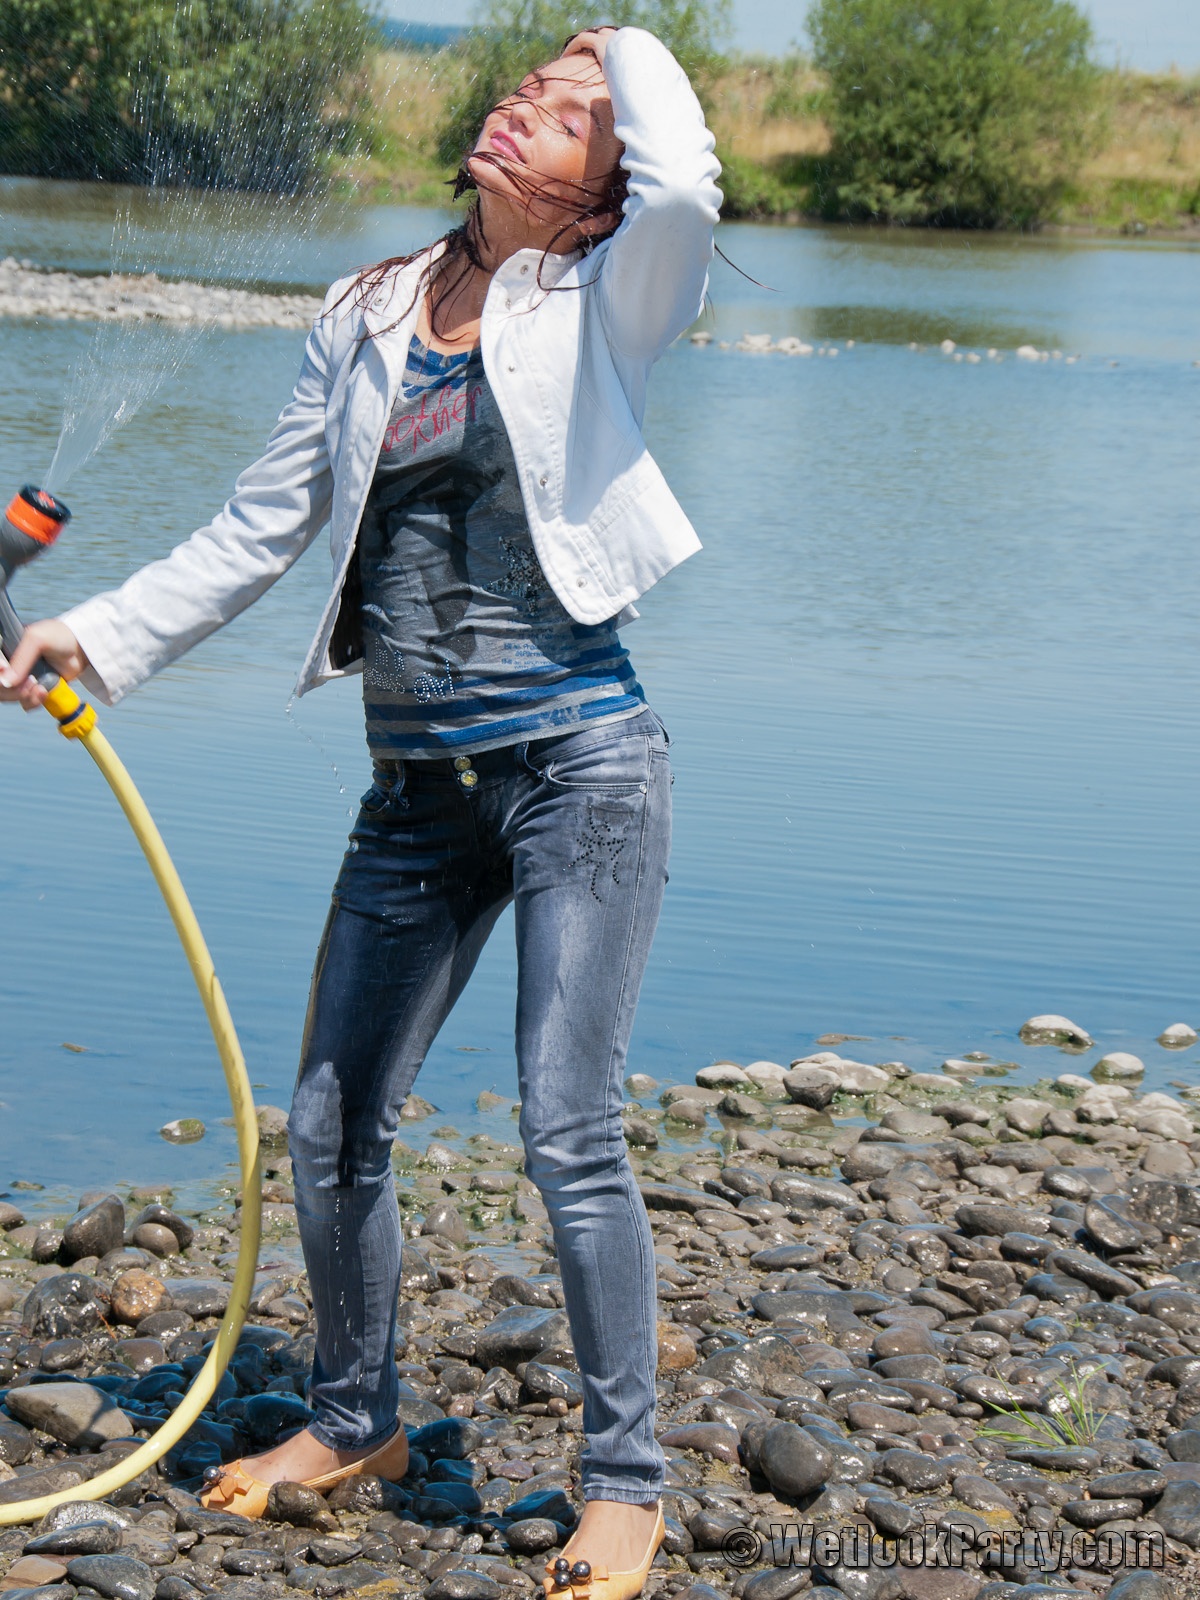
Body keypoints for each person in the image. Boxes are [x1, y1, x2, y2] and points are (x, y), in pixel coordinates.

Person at [1, 25, 720, 1597]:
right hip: (416, 792)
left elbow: (686, 189)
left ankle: (625, 1483)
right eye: (525, 86)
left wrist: (623, 44)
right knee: (330, 1125)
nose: (525, 105)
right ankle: (353, 1420)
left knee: (566, 1123)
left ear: (602, 189)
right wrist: (92, 637)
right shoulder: (367, 311)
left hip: (582, 769)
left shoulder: (611, 296)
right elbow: (258, 525)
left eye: (571, 114)